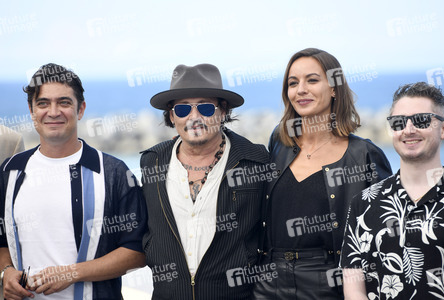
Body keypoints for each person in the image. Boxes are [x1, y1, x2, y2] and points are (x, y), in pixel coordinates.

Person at [252, 48, 392, 299]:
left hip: (330, 283)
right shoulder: (279, 141)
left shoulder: (364, 155)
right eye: (292, 83)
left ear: (334, 88)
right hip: (268, 281)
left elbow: (384, 236)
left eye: (312, 80)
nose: (300, 90)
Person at [0, 63, 147, 300]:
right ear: (31, 110)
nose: (54, 111)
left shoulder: (112, 173)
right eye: (43, 103)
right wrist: (5, 272)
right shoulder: (10, 171)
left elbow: (138, 252)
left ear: (80, 110)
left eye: (64, 102)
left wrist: (71, 273)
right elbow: (2, 243)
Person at [140, 63, 270, 299]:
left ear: (222, 112)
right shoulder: (152, 162)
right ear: (171, 116)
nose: (194, 117)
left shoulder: (256, 161)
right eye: (182, 110)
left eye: (206, 108)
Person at [341, 82, 444, 299]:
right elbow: (353, 288)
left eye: (421, 120)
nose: (409, 130)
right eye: (399, 122)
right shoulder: (363, 204)